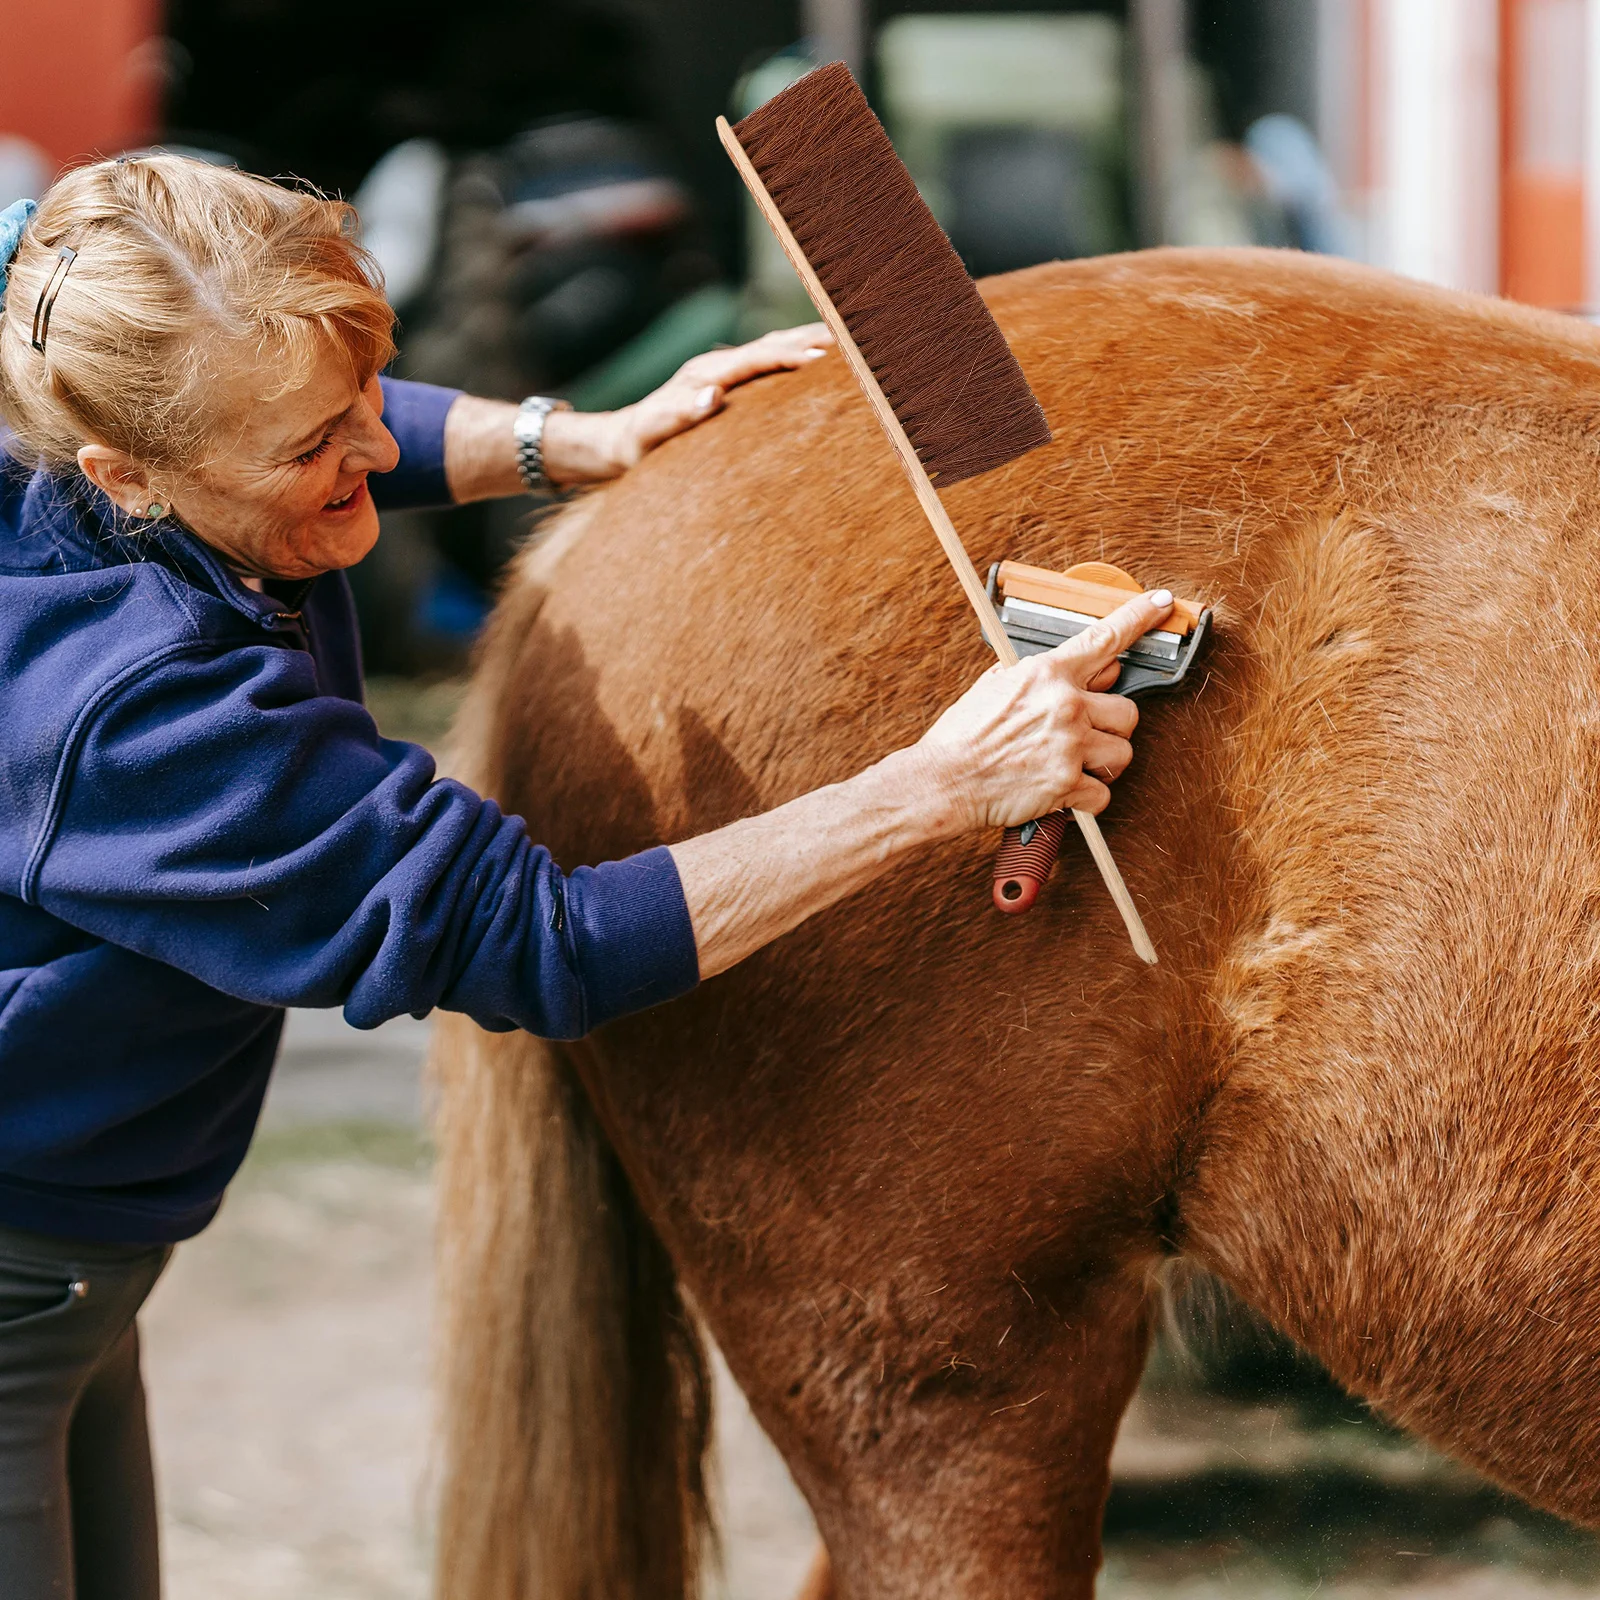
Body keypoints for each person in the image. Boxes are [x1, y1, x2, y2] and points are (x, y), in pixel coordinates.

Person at [0, 155, 1171, 1597]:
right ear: (125, 475)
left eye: (371, 395)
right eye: (312, 451)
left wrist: (572, 440)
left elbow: (295, 388)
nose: (369, 448)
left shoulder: (63, 350)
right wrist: (934, 787)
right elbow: (539, 937)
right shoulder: (140, 722)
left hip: (75, 1257)